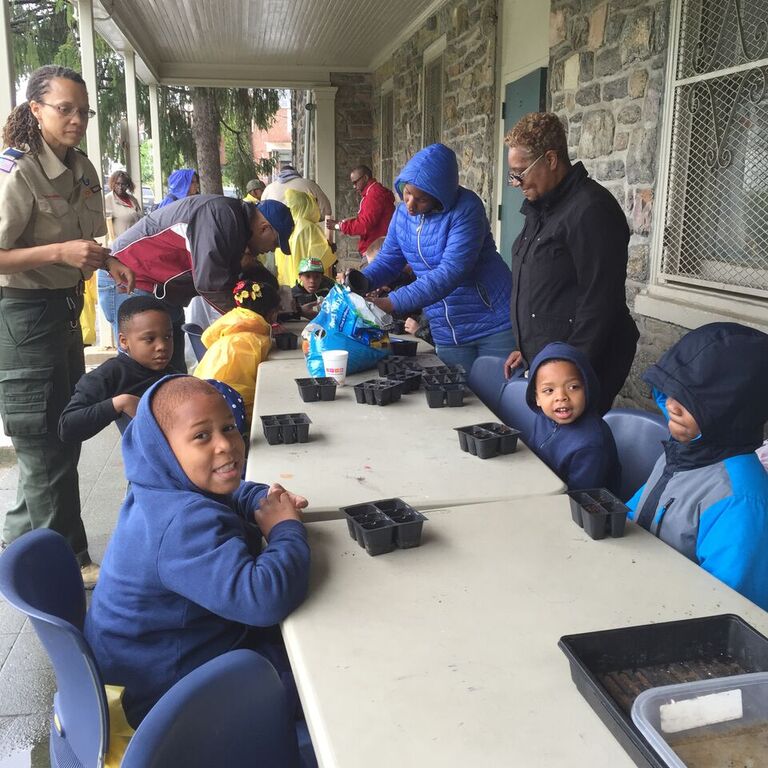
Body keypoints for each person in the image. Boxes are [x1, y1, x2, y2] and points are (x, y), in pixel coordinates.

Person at [84, 376, 310, 725]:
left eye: (230, 428)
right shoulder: (181, 522)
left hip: (148, 659)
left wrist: (264, 501)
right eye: (202, 436)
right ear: (163, 449)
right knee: (316, 677)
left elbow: (231, 492)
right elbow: (264, 599)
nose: (225, 445)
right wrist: (284, 529)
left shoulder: (161, 486)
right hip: (167, 696)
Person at [0, 65, 134, 587]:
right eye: (65, 109)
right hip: (24, 317)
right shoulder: (16, 170)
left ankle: (17, 539)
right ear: (36, 110)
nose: (77, 119)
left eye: (84, 110)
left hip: (61, 310)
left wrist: (106, 261)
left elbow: (84, 239)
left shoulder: (81, 168)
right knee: (44, 440)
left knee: (62, 429)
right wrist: (59, 251)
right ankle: (68, 562)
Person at [502, 112, 639, 414]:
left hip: (578, 370)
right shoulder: (542, 208)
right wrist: (528, 350)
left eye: (520, 172)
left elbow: (599, 302)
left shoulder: (591, 210)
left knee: (568, 456)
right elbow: (547, 291)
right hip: (550, 364)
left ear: (550, 160)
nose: (515, 183)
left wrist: (567, 374)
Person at [626, 322, 768, 611]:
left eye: (694, 400)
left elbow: (725, 609)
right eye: (671, 389)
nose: (673, 405)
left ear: (735, 411)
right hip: (641, 590)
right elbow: (633, 515)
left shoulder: (740, 500)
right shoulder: (679, 454)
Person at [359, 143, 514, 370]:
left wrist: (390, 303)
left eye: (421, 199)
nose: (410, 204)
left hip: (492, 323)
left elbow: (450, 272)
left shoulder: (467, 209)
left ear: (440, 196)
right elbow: (388, 260)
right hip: (446, 328)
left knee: (497, 398)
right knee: (457, 399)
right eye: (408, 193)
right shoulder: (402, 214)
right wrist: (360, 281)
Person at [106, 196, 294, 372]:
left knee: (173, 375)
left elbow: (226, 281)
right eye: (275, 243)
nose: (271, 250)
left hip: (163, 291)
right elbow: (211, 283)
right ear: (264, 228)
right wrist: (255, 322)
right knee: (138, 375)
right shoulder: (222, 215)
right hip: (129, 276)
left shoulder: (236, 225)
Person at [59, 296, 175, 443]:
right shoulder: (111, 374)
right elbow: (67, 426)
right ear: (123, 341)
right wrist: (121, 403)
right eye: (149, 339)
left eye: (167, 336)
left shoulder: (173, 375)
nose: (162, 346)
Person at [523, 342, 619, 491]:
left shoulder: (590, 445)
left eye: (573, 387)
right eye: (549, 390)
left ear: (588, 388)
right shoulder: (544, 418)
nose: (561, 397)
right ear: (537, 398)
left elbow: (578, 499)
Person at [193, 280, 280, 425]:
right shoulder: (255, 340)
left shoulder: (231, 331)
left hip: (199, 404)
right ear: (272, 314)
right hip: (230, 412)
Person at [97, 169, 143, 334]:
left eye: (124, 184)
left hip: (136, 252)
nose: (121, 187)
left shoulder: (133, 200)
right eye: (117, 183)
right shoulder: (109, 201)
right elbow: (107, 226)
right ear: (112, 184)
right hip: (118, 253)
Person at [326, 165, 395, 259]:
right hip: (377, 249)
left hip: (375, 253)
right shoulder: (373, 193)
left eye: (355, 182)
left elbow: (364, 225)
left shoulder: (374, 195)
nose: (354, 186)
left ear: (365, 178)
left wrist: (339, 226)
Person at [275, 188, 336, 287]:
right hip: (310, 284)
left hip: (289, 284)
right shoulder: (309, 227)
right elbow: (320, 257)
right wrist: (330, 248)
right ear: (306, 206)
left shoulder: (285, 226)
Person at [261, 160, 332, 219]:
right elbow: (326, 211)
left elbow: (262, 214)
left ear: (280, 173)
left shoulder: (268, 189)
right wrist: (311, 220)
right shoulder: (309, 184)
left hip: (278, 233)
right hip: (304, 232)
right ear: (295, 172)